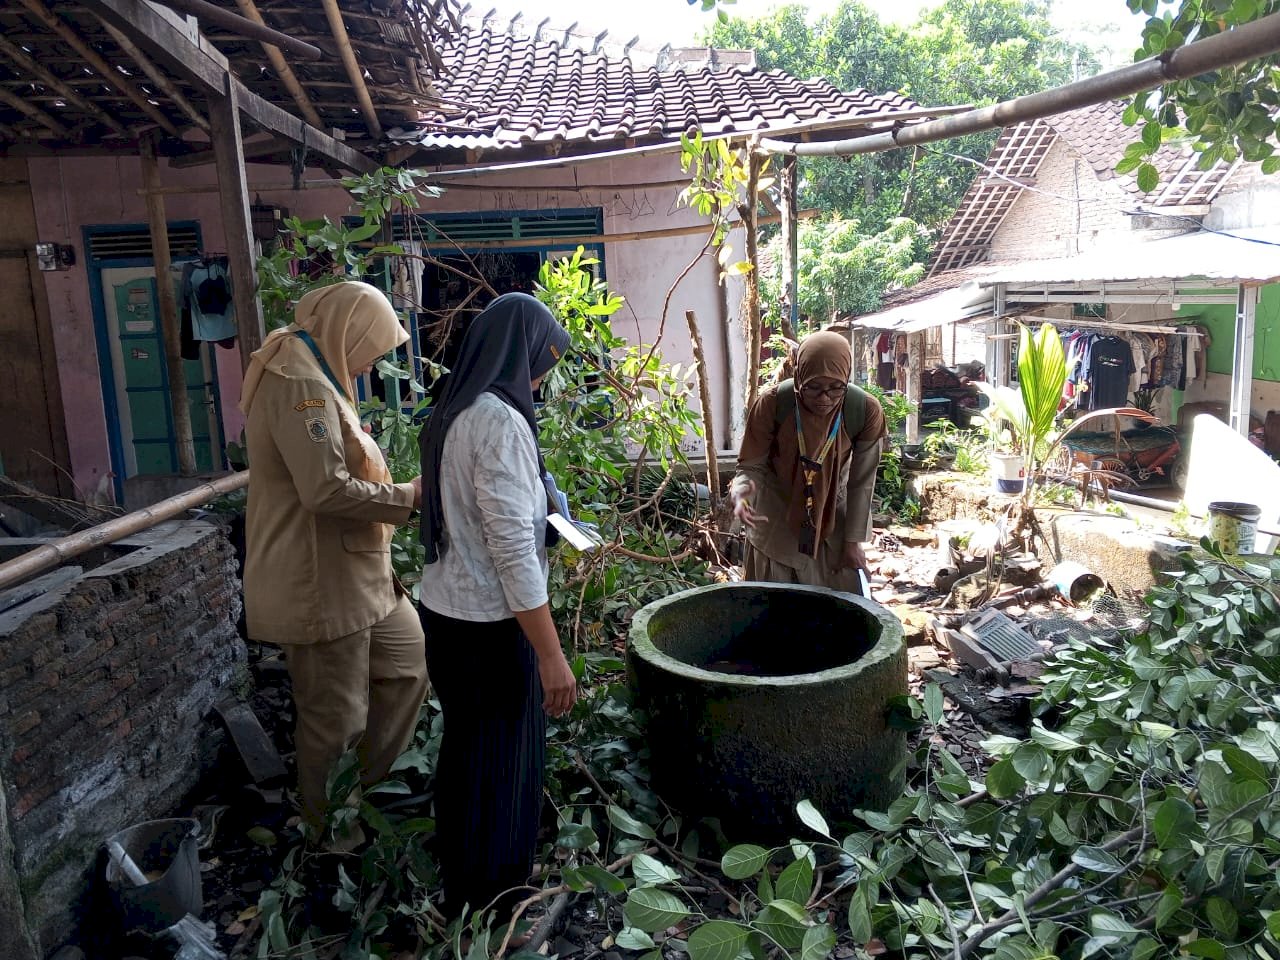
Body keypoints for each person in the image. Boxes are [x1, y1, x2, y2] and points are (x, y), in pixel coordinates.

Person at [240, 281, 428, 836]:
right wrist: (410, 497)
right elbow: (324, 490)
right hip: (319, 579)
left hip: (363, 573)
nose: (373, 362)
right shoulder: (299, 384)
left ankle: (368, 793)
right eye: (372, 347)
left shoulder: (320, 370)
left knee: (407, 666)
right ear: (347, 331)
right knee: (335, 718)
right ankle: (331, 835)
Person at [417, 292, 579, 920]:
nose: (541, 379)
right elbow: (511, 554)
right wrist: (552, 655)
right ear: (519, 354)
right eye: (542, 364)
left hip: (445, 613)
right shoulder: (501, 422)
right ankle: (498, 902)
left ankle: (463, 882)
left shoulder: (451, 410)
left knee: (467, 750)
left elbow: (462, 512)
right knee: (507, 764)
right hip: (490, 625)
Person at [729, 330, 886, 593]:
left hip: (834, 523)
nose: (824, 398)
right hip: (776, 520)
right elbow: (750, 466)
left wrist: (852, 543)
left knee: (834, 617)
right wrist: (741, 493)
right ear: (799, 376)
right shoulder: (772, 404)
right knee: (773, 613)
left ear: (846, 379)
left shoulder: (864, 410)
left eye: (835, 387)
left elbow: (862, 482)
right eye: (813, 387)